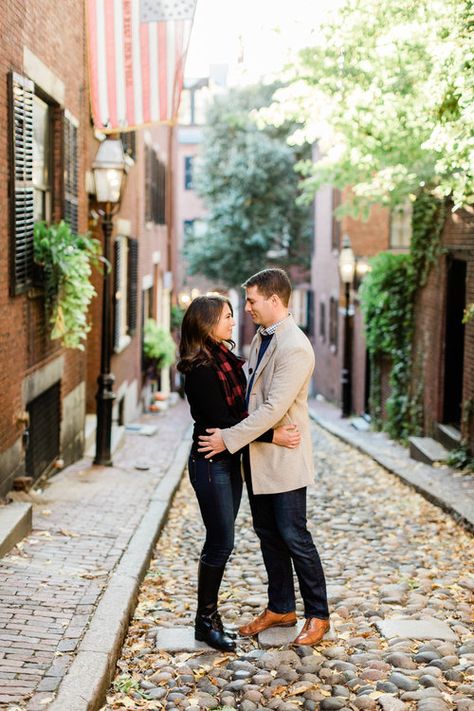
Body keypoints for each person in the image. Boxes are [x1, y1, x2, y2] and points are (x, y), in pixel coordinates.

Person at [198, 269, 330, 646]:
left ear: (275, 300)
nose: (248, 308)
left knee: (294, 536)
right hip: (259, 458)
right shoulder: (261, 337)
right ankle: (281, 607)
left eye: (253, 300)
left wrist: (228, 439)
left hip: (284, 460)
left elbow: (273, 407)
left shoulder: (296, 347)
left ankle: (318, 615)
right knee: (268, 535)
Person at [177, 295, 301, 652]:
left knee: (221, 541)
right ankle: (204, 621)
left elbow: (238, 417)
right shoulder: (200, 367)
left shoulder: (225, 359)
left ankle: (210, 618)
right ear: (206, 322)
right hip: (210, 462)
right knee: (220, 542)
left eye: (233, 314)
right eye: (227, 316)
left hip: (229, 459)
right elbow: (224, 421)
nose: (233, 321)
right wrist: (272, 434)